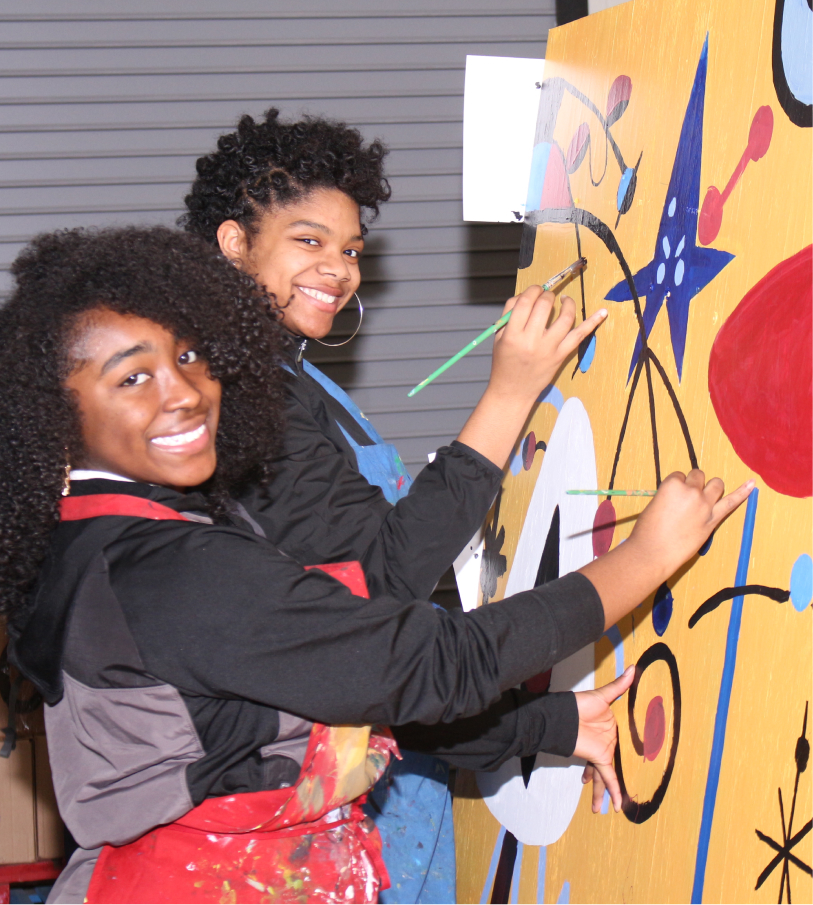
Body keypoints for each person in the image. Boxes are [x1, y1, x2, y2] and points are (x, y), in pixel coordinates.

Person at [0, 227, 751, 904]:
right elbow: (424, 664)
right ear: (53, 416)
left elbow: (329, 692)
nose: (186, 393)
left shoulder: (93, 542)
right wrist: (645, 556)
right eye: (133, 377)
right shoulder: (165, 569)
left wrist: (550, 722)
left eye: (190, 356)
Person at [181, 109, 610, 903]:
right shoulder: (238, 395)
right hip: (335, 797)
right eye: (308, 241)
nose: (339, 270)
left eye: (350, 250)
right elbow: (374, 588)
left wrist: (539, 722)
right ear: (234, 242)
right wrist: (509, 394)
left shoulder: (297, 379)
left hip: (390, 761)